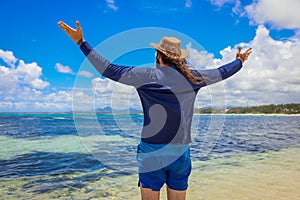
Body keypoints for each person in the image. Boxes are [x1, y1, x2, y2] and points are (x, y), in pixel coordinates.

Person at [58, 21, 252, 200]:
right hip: (180, 152)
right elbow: (223, 72)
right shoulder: (194, 78)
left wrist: (81, 42)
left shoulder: (145, 75)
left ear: (158, 56)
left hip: (151, 152)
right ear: (179, 59)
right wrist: (240, 61)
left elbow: (107, 69)